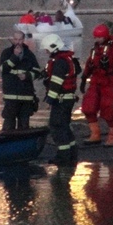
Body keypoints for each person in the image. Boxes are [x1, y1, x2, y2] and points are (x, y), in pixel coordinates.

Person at [80, 24, 113, 147]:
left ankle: (111, 136)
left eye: (99, 37)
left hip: (109, 81)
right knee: (88, 106)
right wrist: (83, 78)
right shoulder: (95, 49)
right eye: (96, 37)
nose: (97, 40)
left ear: (105, 36)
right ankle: (95, 133)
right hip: (96, 80)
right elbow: (89, 64)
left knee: (109, 109)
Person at [40, 33, 80, 166]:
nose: (46, 52)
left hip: (61, 100)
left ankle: (63, 156)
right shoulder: (68, 59)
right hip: (68, 99)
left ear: (53, 47)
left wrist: (49, 100)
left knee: (56, 126)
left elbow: (56, 83)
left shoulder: (60, 62)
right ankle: (72, 153)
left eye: (47, 49)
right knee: (65, 125)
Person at [0, 30, 41, 131]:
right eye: (16, 39)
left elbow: (37, 71)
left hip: (26, 98)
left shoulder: (29, 54)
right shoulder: (6, 53)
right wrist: (14, 57)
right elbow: (3, 69)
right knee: (8, 127)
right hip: (11, 97)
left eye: (20, 39)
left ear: (23, 40)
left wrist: (27, 76)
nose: (18, 42)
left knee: (24, 126)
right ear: (13, 40)